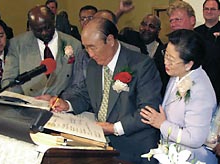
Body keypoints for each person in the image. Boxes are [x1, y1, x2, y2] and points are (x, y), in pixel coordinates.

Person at [50, 17, 162, 164]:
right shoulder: (93, 65)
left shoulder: (141, 65)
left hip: (135, 149)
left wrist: (114, 128)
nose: (89, 53)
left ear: (110, 40)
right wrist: (68, 104)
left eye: (92, 47)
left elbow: (148, 111)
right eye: (86, 47)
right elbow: (89, 96)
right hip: (102, 147)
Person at [140, 29, 217, 163]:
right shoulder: (179, 73)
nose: (166, 62)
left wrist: (162, 124)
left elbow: (195, 138)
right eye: (166, 55)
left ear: (189, 64)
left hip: (191, 158)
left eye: (171, 59)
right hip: (172, 153)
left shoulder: (200, 91)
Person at [1, 5, 82, 97]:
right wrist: (23, 102)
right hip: (27, 105)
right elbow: (9, 81)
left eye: (47, 28)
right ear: (31, 27)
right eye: (38, 30)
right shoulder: (17, 44)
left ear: (53, 21)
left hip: (60, 106)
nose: (44, 33)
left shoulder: (74, 44)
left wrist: (59, 100)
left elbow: (78, 84)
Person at [194, 0, 220, 104]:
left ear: (219, 12)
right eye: (206, 9)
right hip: (199, 84)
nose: (209, 11)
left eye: (213, 9)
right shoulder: (195, 32)